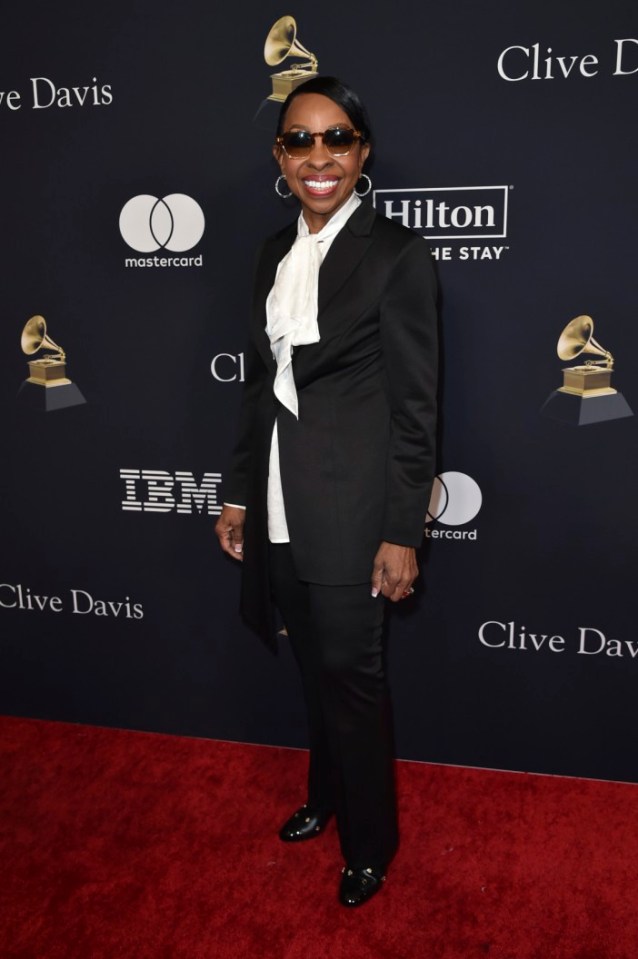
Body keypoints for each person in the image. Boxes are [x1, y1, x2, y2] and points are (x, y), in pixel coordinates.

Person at [215, 75, 438, 907]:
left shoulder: (398, 255)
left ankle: (371, 841)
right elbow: (257, 385)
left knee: (354, 680)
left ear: (361, 151)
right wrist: (238, 490)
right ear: (280, 154)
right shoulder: (272, 252)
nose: (319, 157)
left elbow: (417, 410)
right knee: (314, 672)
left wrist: (401, 528)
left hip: (354, 512)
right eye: (300, 140)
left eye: (336, 139)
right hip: (278, 502)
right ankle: (326, 795)